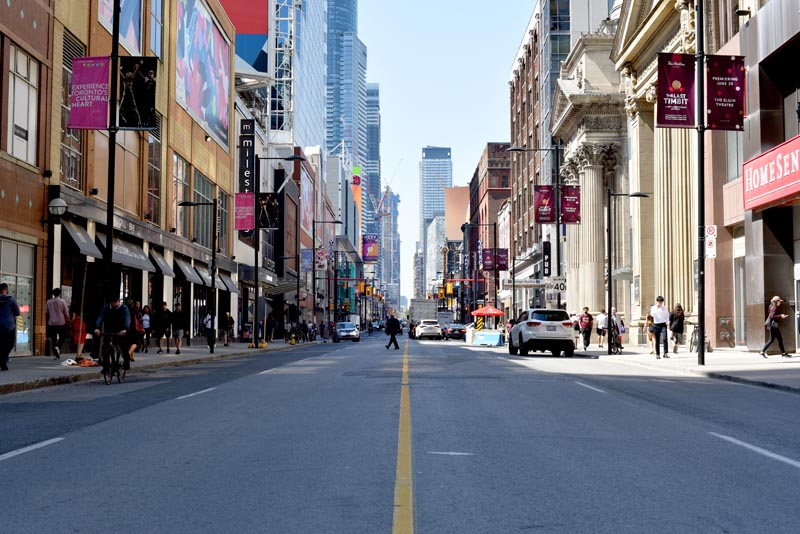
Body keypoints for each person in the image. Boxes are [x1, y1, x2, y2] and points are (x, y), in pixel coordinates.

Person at [94, 296, 132, 372]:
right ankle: (106, 367)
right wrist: (97, 327)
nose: (113, 304)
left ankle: (126, 363)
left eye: (115, 302)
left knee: (123, 346)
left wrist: (125, 329)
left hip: (121, 330)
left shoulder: (124, 308)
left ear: (118, 301)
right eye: (112, 302)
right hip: (110, 330)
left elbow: (127, 319)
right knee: (106, 347)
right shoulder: (107, 308)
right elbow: (100, 317)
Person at [0, 283, 20, 371]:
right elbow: (18, 312)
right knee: (10, 344)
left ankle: (3, 362)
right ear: (6, 289)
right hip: (9, 326)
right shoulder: (11, 299)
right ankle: (2, 360)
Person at [46, 287, 70, 359]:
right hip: (61, 322)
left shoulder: (48, 302)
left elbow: (46, 312)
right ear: (59, 293)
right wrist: (68, 319)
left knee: (53, 338)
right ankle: (58, 347)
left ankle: (56, 353)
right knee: (62, 337)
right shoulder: (62, 301)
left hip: (52, 322)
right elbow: (66, 312)